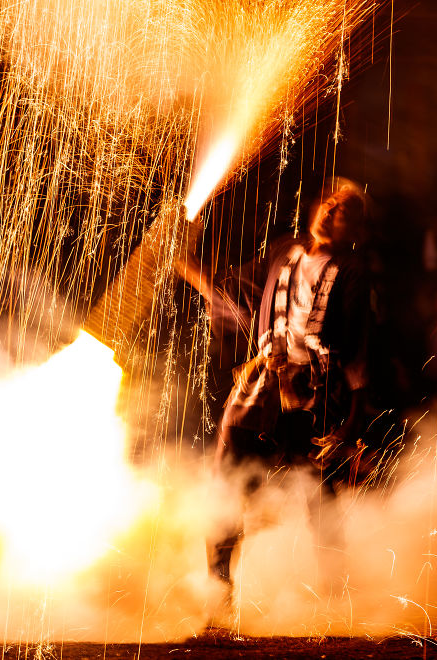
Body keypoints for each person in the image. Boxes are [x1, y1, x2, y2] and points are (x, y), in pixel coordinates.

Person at [175, 179, 371, 626]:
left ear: (354, 229)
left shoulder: (353, 274)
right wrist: (184, 253)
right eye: (330, 202)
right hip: (261, 387)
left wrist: (351, 424)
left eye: (344, 209)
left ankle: (336, 606)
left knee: (319, 502)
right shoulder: (284, 252)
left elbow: (359, 350)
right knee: (225, 489)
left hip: (317, 397)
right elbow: (228, 292)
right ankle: (218, 603)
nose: (330, 210)